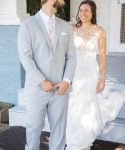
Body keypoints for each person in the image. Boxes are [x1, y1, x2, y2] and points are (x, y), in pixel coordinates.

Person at [66, 0, 125, 150]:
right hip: (75, 71)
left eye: (86, 10)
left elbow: (103, 56)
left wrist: (102, 78)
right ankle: (74, 138)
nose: (83, 13)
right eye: (80, 10)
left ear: (92, 13)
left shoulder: (100, 31)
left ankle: (85, 137)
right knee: (74, 105)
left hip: (91, 72)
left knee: (87, 104)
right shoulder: (71, 28)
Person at [18, 0, 76, 150]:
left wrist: (67, 80)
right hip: (37, 88)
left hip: (61, 89)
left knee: (59, 130)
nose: (64, 1)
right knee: (34, 127)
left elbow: (72, 57)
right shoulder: (27, 25)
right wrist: (41, 81)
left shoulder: (65, 26)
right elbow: (25, 57)